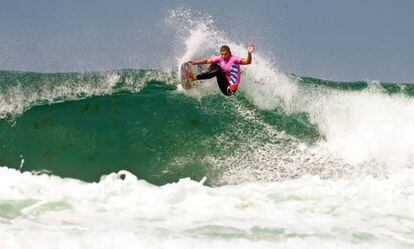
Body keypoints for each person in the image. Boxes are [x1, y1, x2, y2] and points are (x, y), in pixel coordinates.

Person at [187, 44, 256, 96]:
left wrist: (249, 53)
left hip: (229, 90)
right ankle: (202, 77)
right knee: (214, 64)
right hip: (225, 80)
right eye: (222, 54)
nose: (223, 56)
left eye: (225, 54)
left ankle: (194, 77)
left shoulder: (235, 59)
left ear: (230, 53)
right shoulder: (220, 58)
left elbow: (247, 62)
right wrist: (195, 62)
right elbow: (207, 60)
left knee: (218, 71)